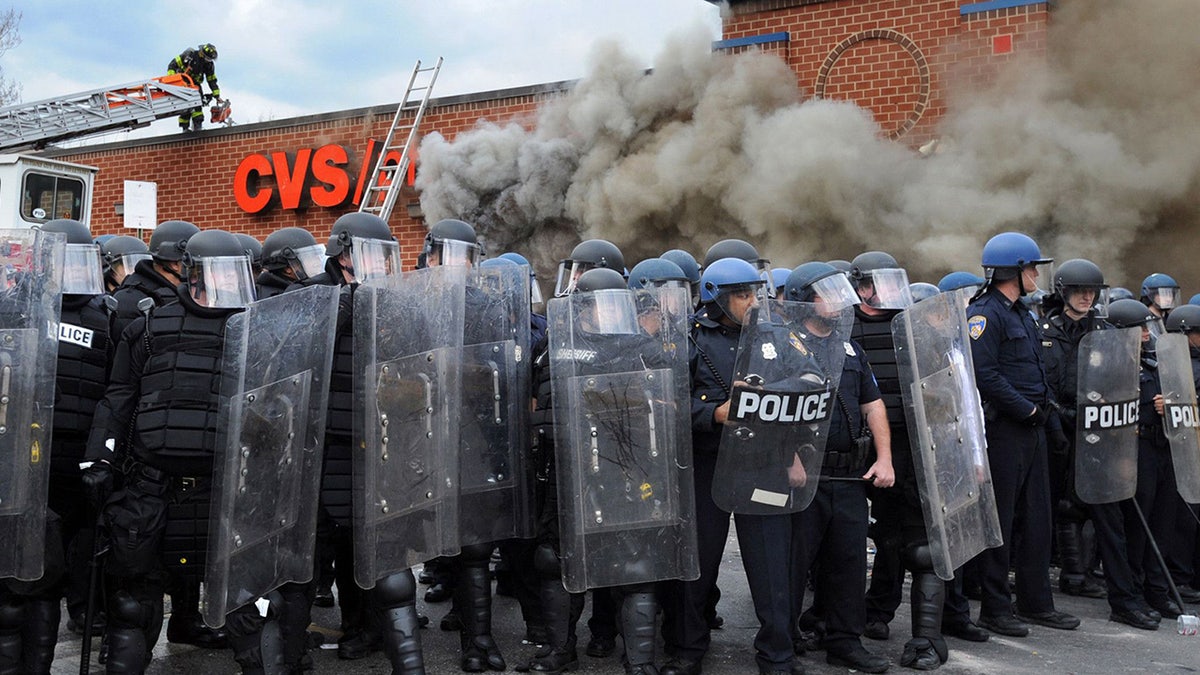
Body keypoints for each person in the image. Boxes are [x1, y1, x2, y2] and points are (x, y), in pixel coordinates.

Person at [82, 229, 256, 673]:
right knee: (133, 606)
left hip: (225, 490)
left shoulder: (256, 330)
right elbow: (118, 398)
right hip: (151, 488)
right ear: (189, 272)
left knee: (249, 609)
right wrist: (100, 458)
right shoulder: (149, 327)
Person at [966, 232, 1079, 637]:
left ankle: (1035, 603)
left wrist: (1048, 421)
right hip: (1004, 431)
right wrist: (1027, 410)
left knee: (1037, 519)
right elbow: (985, 375)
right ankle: (995, 608)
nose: (1036, 275)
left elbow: (1038, 374)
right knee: (1002, 519)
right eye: (1032, 268)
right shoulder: (985, 314)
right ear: (1014, 270)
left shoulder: (1022, 314)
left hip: (1032, 430)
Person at [785, 262, 894, 674]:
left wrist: (884, 458)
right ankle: (785, 638)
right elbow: (769, 410)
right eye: (824, 294)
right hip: (804, 479)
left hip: (849, 478)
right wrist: (789, 459)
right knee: (794, 565)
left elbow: (873, 404)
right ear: (803, 299)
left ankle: (844, 641)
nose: (835, 302)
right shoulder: (785, 347)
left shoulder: (850, 349)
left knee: (848, 564)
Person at [1040, 262, 1159, 630]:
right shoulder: (1042, 332)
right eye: (1079, 290)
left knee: (1112, 520)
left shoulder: (1106, 331)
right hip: (1055, 433)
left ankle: (1124, 599)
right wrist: (1060, 416)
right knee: (1043, 516)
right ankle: (1033, 596)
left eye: (1092, 291)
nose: (1087, 296)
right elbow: (1040, 381)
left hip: (1098, 437)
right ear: (1064, 292)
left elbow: (1124, 381)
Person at [1106, 299, 1185, 621]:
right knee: (1137, 528)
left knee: (1162, 523)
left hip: (1161, 449)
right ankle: (1133, 594)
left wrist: (1170, 404)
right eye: (1140, 328)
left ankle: (1157, 591)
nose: (1146, 334)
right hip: (1131, 452)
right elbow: (1106, 413)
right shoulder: (1109, 368)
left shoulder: (1153, 364)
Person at [256, 227, 324, 299]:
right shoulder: (272, 299)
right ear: (287, 268)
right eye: (309, 257)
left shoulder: (307, 287)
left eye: (317, 255)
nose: (318, 261)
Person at [168, 43, 221, 132]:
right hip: (182, 83)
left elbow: (211, 79)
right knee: (185, 106)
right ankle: (185, 129)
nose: (208, 60)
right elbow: (172, 65)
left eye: (210, 59)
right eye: (207, 58)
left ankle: (198, 127)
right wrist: (173, 81)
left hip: (195, 85)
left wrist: (217, 95)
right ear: (202, 54)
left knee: (198, 105)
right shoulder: (190, 56)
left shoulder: (209, 65)